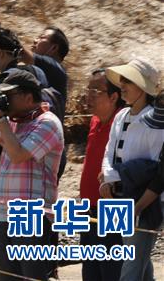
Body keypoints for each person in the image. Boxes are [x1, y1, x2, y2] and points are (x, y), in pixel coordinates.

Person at [0, 69, 64, 281]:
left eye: (9, 96)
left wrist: (2, 120)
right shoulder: (15, 121)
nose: (4, 101)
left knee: (32, 276)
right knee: (9, 277)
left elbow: (18, 155)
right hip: (6, 212)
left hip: (32, 214)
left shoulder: (47, 122)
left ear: (27, 97)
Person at [100, 58, 164, 281]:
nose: (122, 85)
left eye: (129, 81)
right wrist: (108, 180)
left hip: (143, 202)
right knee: (138, 264)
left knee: (131, 268)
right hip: (119, 196)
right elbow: (109, 152)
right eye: (123, 80)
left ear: (144, 88)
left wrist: (138, 206)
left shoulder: (156, 124)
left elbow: (157, 169)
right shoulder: (121, 116)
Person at [79, 68, 126, 281]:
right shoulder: (95, 120)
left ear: (114, 96)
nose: (88, 95)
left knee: (111, 272)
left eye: (95, 90)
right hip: (87, 207)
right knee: (90, 272)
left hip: (111, 208)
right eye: (88, 89)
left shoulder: (124, 123)